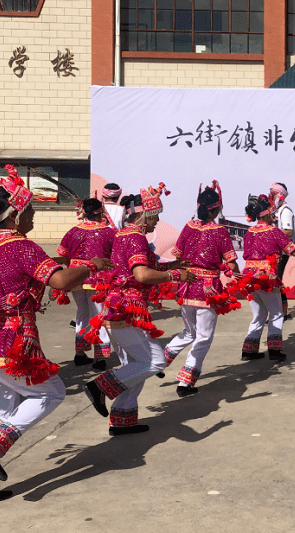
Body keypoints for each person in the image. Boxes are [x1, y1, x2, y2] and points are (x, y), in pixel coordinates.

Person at [0, 166, 110, 509]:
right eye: (30, 210)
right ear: (15, 215)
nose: (33, 215)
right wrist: (92, 265)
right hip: (13, 342)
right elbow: (60, 281)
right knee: (51, 393)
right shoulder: (22, 246)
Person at [83, 183, 193, 434]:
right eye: (155, 218)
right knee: (154, 362)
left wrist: (174, 265)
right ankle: (100, 386)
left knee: (135, 367)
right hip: (127, 310)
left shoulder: (124, 235)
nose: (157, 223)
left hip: (118, 307)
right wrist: (176, 275)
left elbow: (143, 269)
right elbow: (142, 275)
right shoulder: (134, 238)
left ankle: (122, 420)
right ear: (143, 217)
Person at [163, 181, 239, 397]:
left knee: (190, 331)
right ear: (216, 208)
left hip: (185, 286)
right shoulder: (220, 231)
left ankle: (162, 359)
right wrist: (238, 273)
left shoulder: (188, 227)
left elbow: (177, 255)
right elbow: (230, 263)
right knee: (203, 337)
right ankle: (185, 381)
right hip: (207, 290)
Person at [239, 193, 295, 363]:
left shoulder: (249, 232)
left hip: (248, 278)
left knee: (259, 314)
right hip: (266, 277)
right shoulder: (273, 232)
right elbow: (293, 251)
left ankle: (249, 350)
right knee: (275, 313)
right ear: (267, 214)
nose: (274, 216)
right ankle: (274, 350)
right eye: (272, 213)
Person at [57, 197, 117, 370]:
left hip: (76, 277)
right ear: (100, 212)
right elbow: (114, 256)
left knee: (82, 313)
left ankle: (80, 353)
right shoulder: (108, 232)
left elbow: (63, 253)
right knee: (98, 315)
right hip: (98, 279)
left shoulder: (73, 231)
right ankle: (100, 356)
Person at [270, 183, 295, 320]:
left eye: (272, 193)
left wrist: (270, 235)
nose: (270, 196)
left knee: (276, 280)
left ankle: (283, 313)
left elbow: (288, 231)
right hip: (277, 251)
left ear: (280, 195)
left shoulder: (285, 211)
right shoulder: (276, 211)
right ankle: (282, 312)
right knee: (276, 280)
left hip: (283, 252)